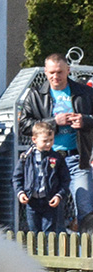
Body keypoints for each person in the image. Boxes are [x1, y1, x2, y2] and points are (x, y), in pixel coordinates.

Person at [16, 54, 93, 231]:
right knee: (48, 209)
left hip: (77, 159)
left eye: (59, 72)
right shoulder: (36, 94)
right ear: (45, 72)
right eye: (51, 72)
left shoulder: (85, 93)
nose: (55, 77)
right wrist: (53, 122)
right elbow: (24, 125)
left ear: (68, 71)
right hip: (46, 161)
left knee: (85, 207)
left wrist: (86, 120)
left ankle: (89, 252)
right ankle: (52, 250)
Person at [14, 119, 70, 234]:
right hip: (32, 201)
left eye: (51, 140)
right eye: (45, 141)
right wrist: (20, 193)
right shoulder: (26, 158)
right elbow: (16, 178)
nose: (49, 144)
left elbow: (65, 179)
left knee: (49, 232)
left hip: (49, 200)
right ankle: (34, 251)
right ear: (34, 140)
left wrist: (59, 195)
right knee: (34, 232)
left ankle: (48, 251)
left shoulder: (57, 158)